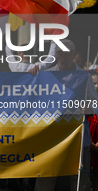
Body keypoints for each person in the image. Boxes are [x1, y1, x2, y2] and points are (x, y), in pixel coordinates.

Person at [35, 39, 97, 191]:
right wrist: (31, 74)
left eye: (66, 53)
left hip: (77, 135)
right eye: (60, 54)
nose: (63, 57)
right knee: (46, 176)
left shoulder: (84, 76)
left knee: (79, 178)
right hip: (52, 135)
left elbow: (95, 104)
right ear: (56, 55)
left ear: (74, 54)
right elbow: (35, 101)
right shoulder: (47, 75)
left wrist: (89, 109)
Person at [88, 67, 98, 191]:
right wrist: (89, 142)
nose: (96, 86)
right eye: (94, 83)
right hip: (88, 140)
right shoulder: (85, 100)